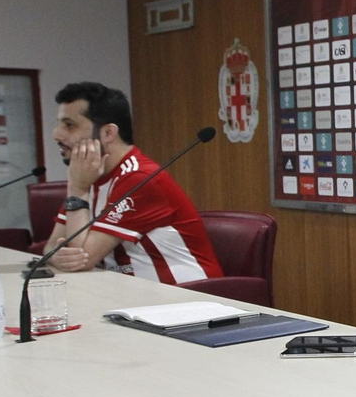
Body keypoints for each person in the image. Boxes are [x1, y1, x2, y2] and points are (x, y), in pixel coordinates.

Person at [45, 82, 223, 284]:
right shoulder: (90, 176)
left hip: (187, 298)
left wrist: (76, 189)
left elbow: (83, 258)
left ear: (108, 133)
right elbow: (52, 245)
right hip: (134, 294)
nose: (56, 134)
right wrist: (54, 255)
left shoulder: (139, 178)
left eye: (69, 125)